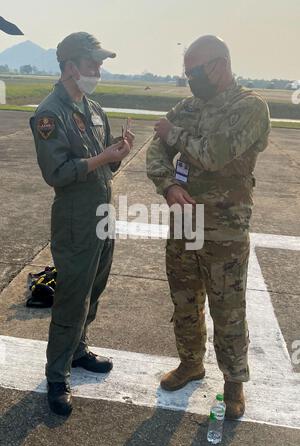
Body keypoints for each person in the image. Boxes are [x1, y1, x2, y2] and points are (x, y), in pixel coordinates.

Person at [146, 35, 270, 419]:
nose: (189, 80)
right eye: (186, 73)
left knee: (228, 308)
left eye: (194, 72)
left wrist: (174, 133)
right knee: (185, 301)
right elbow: (155, 150)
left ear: (219, 65)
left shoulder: (250, 107)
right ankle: (190, 363)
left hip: (225, 230)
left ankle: (234, 383)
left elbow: (215, 154)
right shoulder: (187, 106)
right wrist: (168, 184)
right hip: (185, 225)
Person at [30, 32, 134, 416]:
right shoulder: (49, 113)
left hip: (102, 213)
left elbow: (105, 163)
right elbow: (56, 172)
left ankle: (78, 349)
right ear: (71, 66)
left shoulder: (93, 109)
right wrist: (100, 158)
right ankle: (57, 375)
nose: (98, 69)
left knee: (95, 286)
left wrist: (116, 154)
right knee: (72, 295)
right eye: (93, 63)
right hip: (75, 218)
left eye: (101, 63)